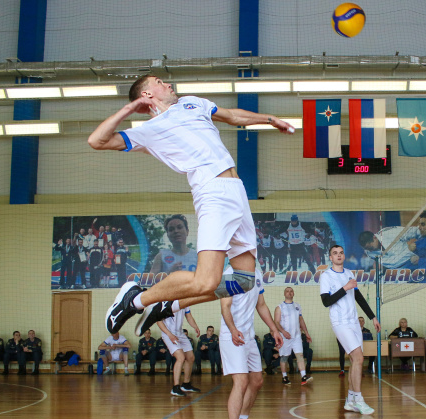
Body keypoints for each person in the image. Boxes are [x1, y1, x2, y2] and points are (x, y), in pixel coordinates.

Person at [89, 75, 293, 337]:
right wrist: (130, 108)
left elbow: (232, 115)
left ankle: (169, 304)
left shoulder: (193, 103)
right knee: (206, 280)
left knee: (243, 281)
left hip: (237, 191)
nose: (168, 83)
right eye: (159, 82)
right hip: (213, 192)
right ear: (147, 94)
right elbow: (97, 140)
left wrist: (269, 119)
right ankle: (135, 299)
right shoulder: (148, 131)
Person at [220, 265, 284, 419]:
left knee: (256, 381)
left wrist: (274, 329)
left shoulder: (256, 272)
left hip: (249, 336)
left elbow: (261, 304)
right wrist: (232, 329)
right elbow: (225, 305)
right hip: (232, 336)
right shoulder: (228, 273)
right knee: (241, 382)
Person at [320, 244, 381, 415]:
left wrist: (372, 317)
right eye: (334, 253)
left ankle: (350, 400)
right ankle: (358, 400)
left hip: (354, 322)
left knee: (355, 361)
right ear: (330, 258)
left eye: (341, 253)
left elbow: (358, 297)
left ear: (344, 256)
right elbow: (326, 302)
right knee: (359, 358)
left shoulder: (349, 273)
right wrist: (344, 288)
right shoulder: (326, 276)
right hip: (340, 322)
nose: (338, 255)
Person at [157, 304, 202, 396]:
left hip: (180, 333)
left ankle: (186, 384)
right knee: (180, 357)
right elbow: (158, 321)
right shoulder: (165, 303)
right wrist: (170, 335)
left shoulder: (184, 301)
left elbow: (188, 316)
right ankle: (175, 387)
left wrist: (195, 326)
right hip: (168, 334)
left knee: (190, 357)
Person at [274, 286, 313, 386]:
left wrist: (306, 333)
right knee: (284, 358)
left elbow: (301, 320)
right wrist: (283, 331)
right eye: (287, 291)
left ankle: (303, 376)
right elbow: (276, 322)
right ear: (284, 294)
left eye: (291, 291)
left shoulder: (297, 306)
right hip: (285, 337)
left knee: (300, 355)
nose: (289, 293)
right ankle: (284, 377)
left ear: (293, 293)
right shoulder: (279, 307)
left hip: (296, 336)